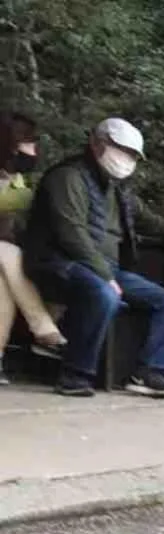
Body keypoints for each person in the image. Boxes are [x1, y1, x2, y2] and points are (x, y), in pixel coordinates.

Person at [22, 117, 164, 398]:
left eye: (132, 155)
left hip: (106, 269)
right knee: (104, 293)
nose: (125, 158)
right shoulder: (67, 177)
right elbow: (71, 234)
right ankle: (75, 374)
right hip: (57, 262)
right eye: (120, 149)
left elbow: (155, 224)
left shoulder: (119, 191)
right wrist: (104, 275)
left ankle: (153, 373)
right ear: (96, 143)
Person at [0, 110, 66, 385]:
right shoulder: (18, 187)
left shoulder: (15, 179)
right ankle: (42, 328)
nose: (33, 149)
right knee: (11, 254)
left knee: (2, 282)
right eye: (28, 142)